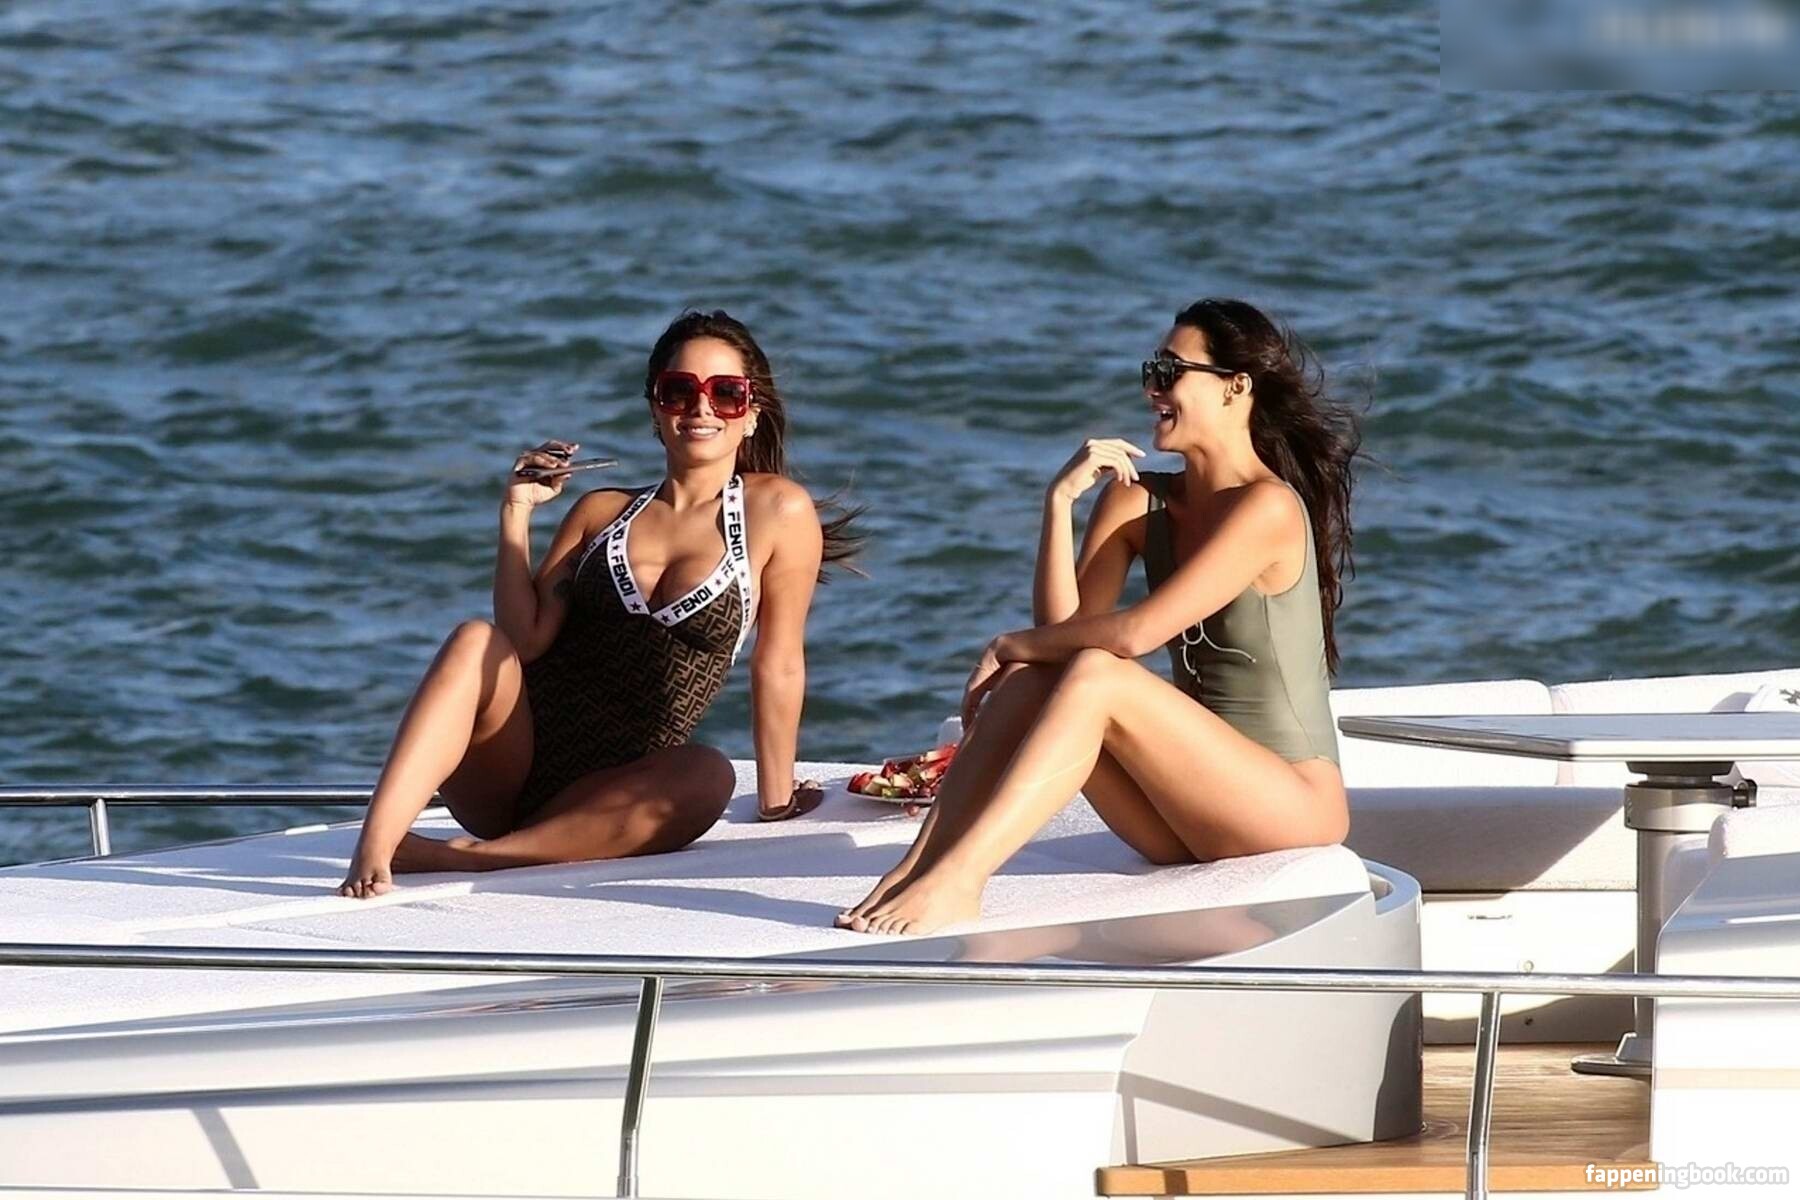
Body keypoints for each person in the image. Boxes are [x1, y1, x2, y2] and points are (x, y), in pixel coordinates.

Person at [839, 298, 1361, 935]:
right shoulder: (1136, 500)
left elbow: (1136, 634)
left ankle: (961, 881)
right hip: (1180, 816)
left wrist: (1007, 642)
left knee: (1095, 673)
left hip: (1289, 809)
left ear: (1236, 387)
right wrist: (1059, 504)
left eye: (1171, 372)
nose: (1152, 388)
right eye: (1151, 370)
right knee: (1036, 677)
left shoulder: (1266, 508)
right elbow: (1059, 640)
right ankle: (917, 869)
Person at [338, 310, 859, 897]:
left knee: (708, 772)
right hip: (509, 766)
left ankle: (469, 859)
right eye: (679, 390)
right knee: (474, 638)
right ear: (655, 408)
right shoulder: (601, 512)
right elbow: (525, 639)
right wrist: (516, 512)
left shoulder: (778, 510)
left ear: (752, 412)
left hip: (618, 793)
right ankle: (378, 843)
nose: (701, 407)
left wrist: (776, 799)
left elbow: (779, 661)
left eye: (725, 393)